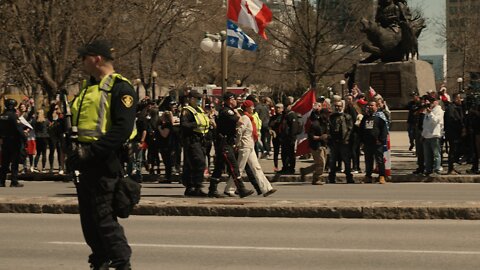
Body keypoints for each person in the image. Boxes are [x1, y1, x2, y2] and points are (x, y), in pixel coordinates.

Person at [67, 39, 137, 270]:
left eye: (84, 57)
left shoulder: (120, 88)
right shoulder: (88, 88)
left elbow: (122, 129)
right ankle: (101, 260)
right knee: (89, 221)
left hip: (104, 161)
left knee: (104, 218)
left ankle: (120, 262)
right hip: (85, 162)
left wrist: (91, 152)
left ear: (97, 58)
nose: (81, 62)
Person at [227, 100, 276, 196]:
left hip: (250, 145)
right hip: (245, 146)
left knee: (256, 167)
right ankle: (229, 188)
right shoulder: (245, 118)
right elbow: (240, 131)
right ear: (247, 108)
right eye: (251, 107)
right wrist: (237, 144)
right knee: (240, 168)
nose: (253, 108)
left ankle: (266, 188)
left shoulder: (250, 118)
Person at [209, 92, 254, 198]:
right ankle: (241, 189)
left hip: (226, 142)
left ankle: (212, 189)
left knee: (219, 167)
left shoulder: (229, 110)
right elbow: (240, 121)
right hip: (224, 143)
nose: (235, 101)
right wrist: (236, 113)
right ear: (229, 100)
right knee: (233, 166)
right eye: (233, 99)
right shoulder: (226, 111)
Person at [180, 90, 210, 197]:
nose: (199, 100)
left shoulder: (199, 110)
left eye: (200, 99)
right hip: (191, 140)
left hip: (200, 140)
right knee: (199, 162)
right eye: (197, 99)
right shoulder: (187, 111)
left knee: (192, 164)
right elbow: (184, 125)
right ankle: (197, 187)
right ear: (191, 99)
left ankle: (191, 187)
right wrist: (196, 124)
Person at [360, 101, 388, 184]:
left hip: (377, 143)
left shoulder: (380, 118)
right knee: (368, 160)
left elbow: (384, 130)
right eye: (369, 105)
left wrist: (381, 140)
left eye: (372, 105)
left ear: (376, 107)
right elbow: (361, 130)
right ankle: (368, 176)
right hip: (367, 143)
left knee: (379, 160)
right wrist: (362, 141)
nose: (370, 107)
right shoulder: (365, 118)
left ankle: (382, 176)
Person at [300, 107, 330, 185]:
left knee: (319, 163)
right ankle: (316, 178)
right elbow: (311, 136)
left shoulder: (326, 123)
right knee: (321, 163)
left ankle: (305, 171)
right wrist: (320, 137)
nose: (327, 115)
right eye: (326, 114)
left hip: (324, 145)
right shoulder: (315, 124)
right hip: (316, 146)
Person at [0, 98, 26, 187]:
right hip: (14, 141)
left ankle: (1, 181)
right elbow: (18, 129)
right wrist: (24, 138)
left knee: (4, 163)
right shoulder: (13, 116)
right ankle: (14, 181)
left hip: (4, 141)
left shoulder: (2, 116)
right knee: (14, 162)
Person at [327, 101, 354, 184]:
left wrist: (346, 139)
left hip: (344, 142)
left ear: (342, 107)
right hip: (334, 142)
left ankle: (349, 177)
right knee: (332, 160)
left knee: (346, 160)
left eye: (339, 106)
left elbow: (350, 129)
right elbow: (329, 128)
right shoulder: (331, 117)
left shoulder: (347, 116)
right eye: (336, 106)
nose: (337, 108)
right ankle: (332, 177)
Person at [421, 95, 444, 176]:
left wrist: (430, 113)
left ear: (436, 101)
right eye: (430, 101)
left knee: (436, 154)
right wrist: (423, 134)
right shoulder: (428, 111)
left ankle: (437, 169)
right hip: (426, 136)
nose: (430, 103)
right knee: (427, 155)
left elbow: (435, 121)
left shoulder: (439, 111)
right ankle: (428, 169)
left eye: (432, 101)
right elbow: (425, 124)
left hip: (435, 135)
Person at [444, 93, 464, 175]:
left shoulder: (457, 108)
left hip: (455, 133)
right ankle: (450, 169)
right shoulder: (451, 108)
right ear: (456, 99)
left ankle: (453, 168)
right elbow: (452, 120)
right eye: (459, 98)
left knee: (455, 151)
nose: (461, 100)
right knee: (452, 151)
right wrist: (460, 127)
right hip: (453, 134)